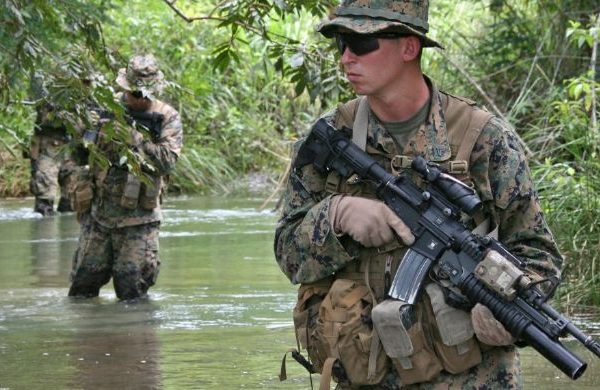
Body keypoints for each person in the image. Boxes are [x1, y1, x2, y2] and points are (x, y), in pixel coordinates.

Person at [274, 1, 563, 389]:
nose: (345, 58)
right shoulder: (331, 138)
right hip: (365, 375)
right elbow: (288, 256)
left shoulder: (484, 140)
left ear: (409, 47)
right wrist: (337, 215)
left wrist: (504, 313)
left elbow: (540, 256)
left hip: (472, 379)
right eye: (341, 43)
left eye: (360, 44)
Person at [68, 54, 183, 300]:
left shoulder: (167, 117)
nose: (137, 99)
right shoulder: (104, 109)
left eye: (143, 95)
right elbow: (78, 151)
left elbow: (167, 162)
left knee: (133, 296)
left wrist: (136, 140)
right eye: (133, 92)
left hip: (139, 221)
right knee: (80, 291)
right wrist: (87, 129)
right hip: (98, 217)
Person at [28, 77, 77, 216]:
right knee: (45, 198)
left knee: (72, 200)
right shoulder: (45, 91)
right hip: (48, 147)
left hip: (72, 148)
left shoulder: (84, 96)